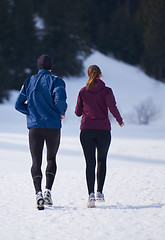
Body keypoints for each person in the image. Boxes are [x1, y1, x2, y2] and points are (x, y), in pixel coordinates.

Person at [15, 54, 67, 210]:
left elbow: (18, 105)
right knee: (51, 158)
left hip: (35, 127)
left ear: (38, 66)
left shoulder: (28, 81)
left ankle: (38, 194)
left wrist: (32, 112)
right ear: (51, 66)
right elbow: (60, 101)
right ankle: (48, 192)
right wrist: (60, 111)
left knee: (36, 161)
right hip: (53, 127)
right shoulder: (57, 81)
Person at [75, 65, 124, 208]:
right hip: (103, 130)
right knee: (102, 160)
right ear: (100, 75)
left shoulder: (83, 91)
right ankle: (99, 192)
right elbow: (112, 106)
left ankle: (90, 194)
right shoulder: (107, 90)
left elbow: (78, 112)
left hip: (86, 130)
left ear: (88, 75)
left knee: (90, 163)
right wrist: (119, 120)